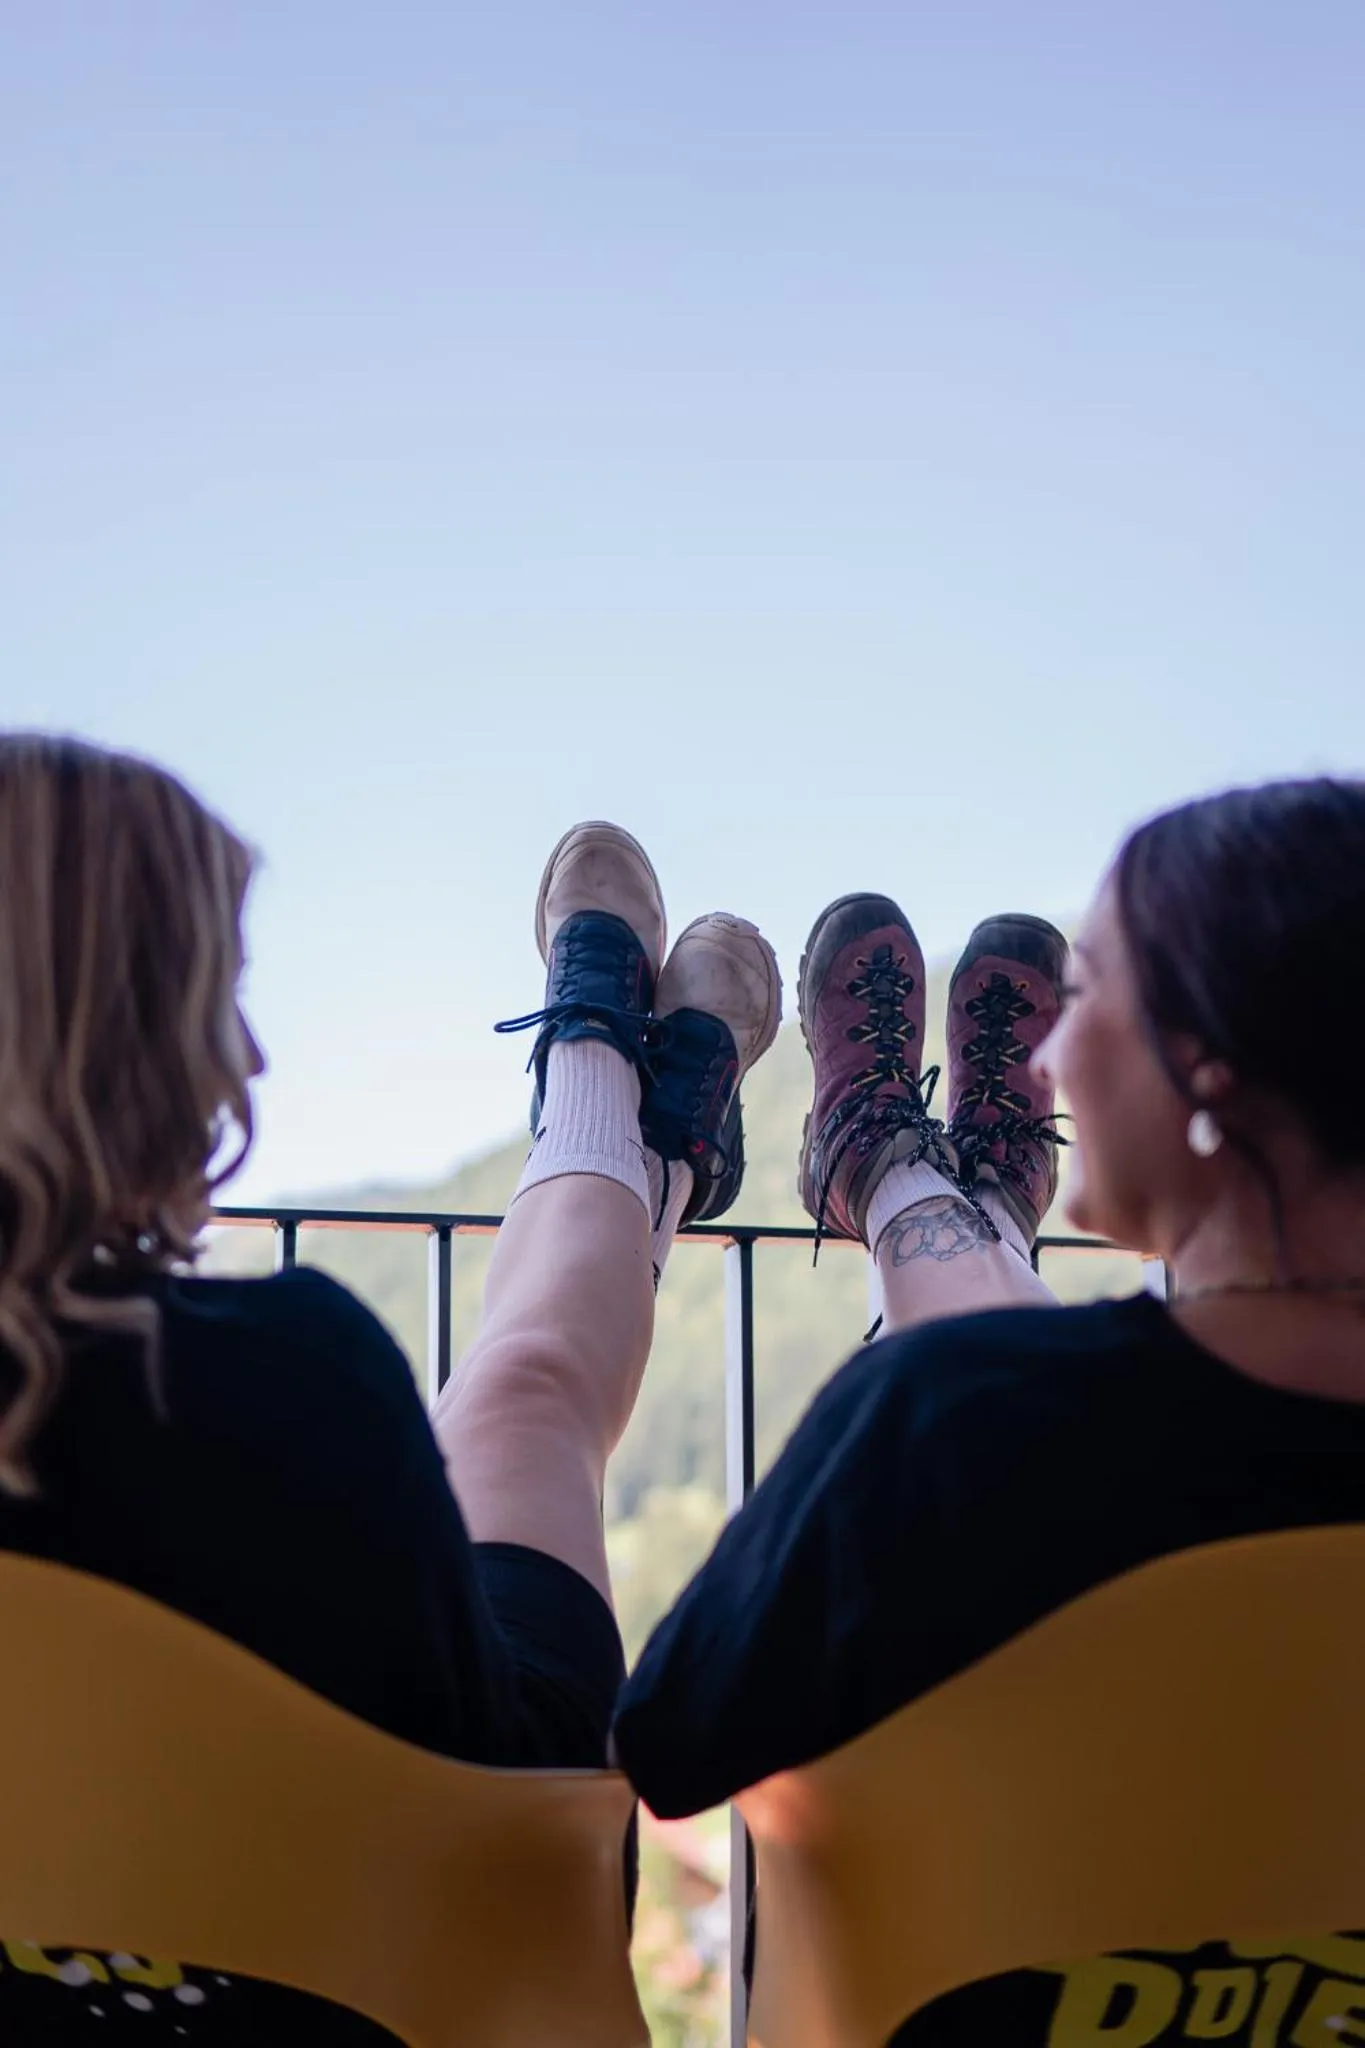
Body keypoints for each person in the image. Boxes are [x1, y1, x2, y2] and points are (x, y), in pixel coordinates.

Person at [0, 743, 780, 2046]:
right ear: (104, 1040)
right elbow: (504, 1789)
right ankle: (628, 1130)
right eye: (211, 1000)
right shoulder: (277, 1379)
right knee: (527, 1398)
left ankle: (622, 1122)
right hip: (378, 1997)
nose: (245, 1060)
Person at [613, 777, 1365, 2047]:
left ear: (1207, 1067)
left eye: (1096, 998)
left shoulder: (945, 1423)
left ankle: (893, 1177)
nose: (1059, 1051)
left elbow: (672, 1741)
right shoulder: (963, 1415)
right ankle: (927, 1192)